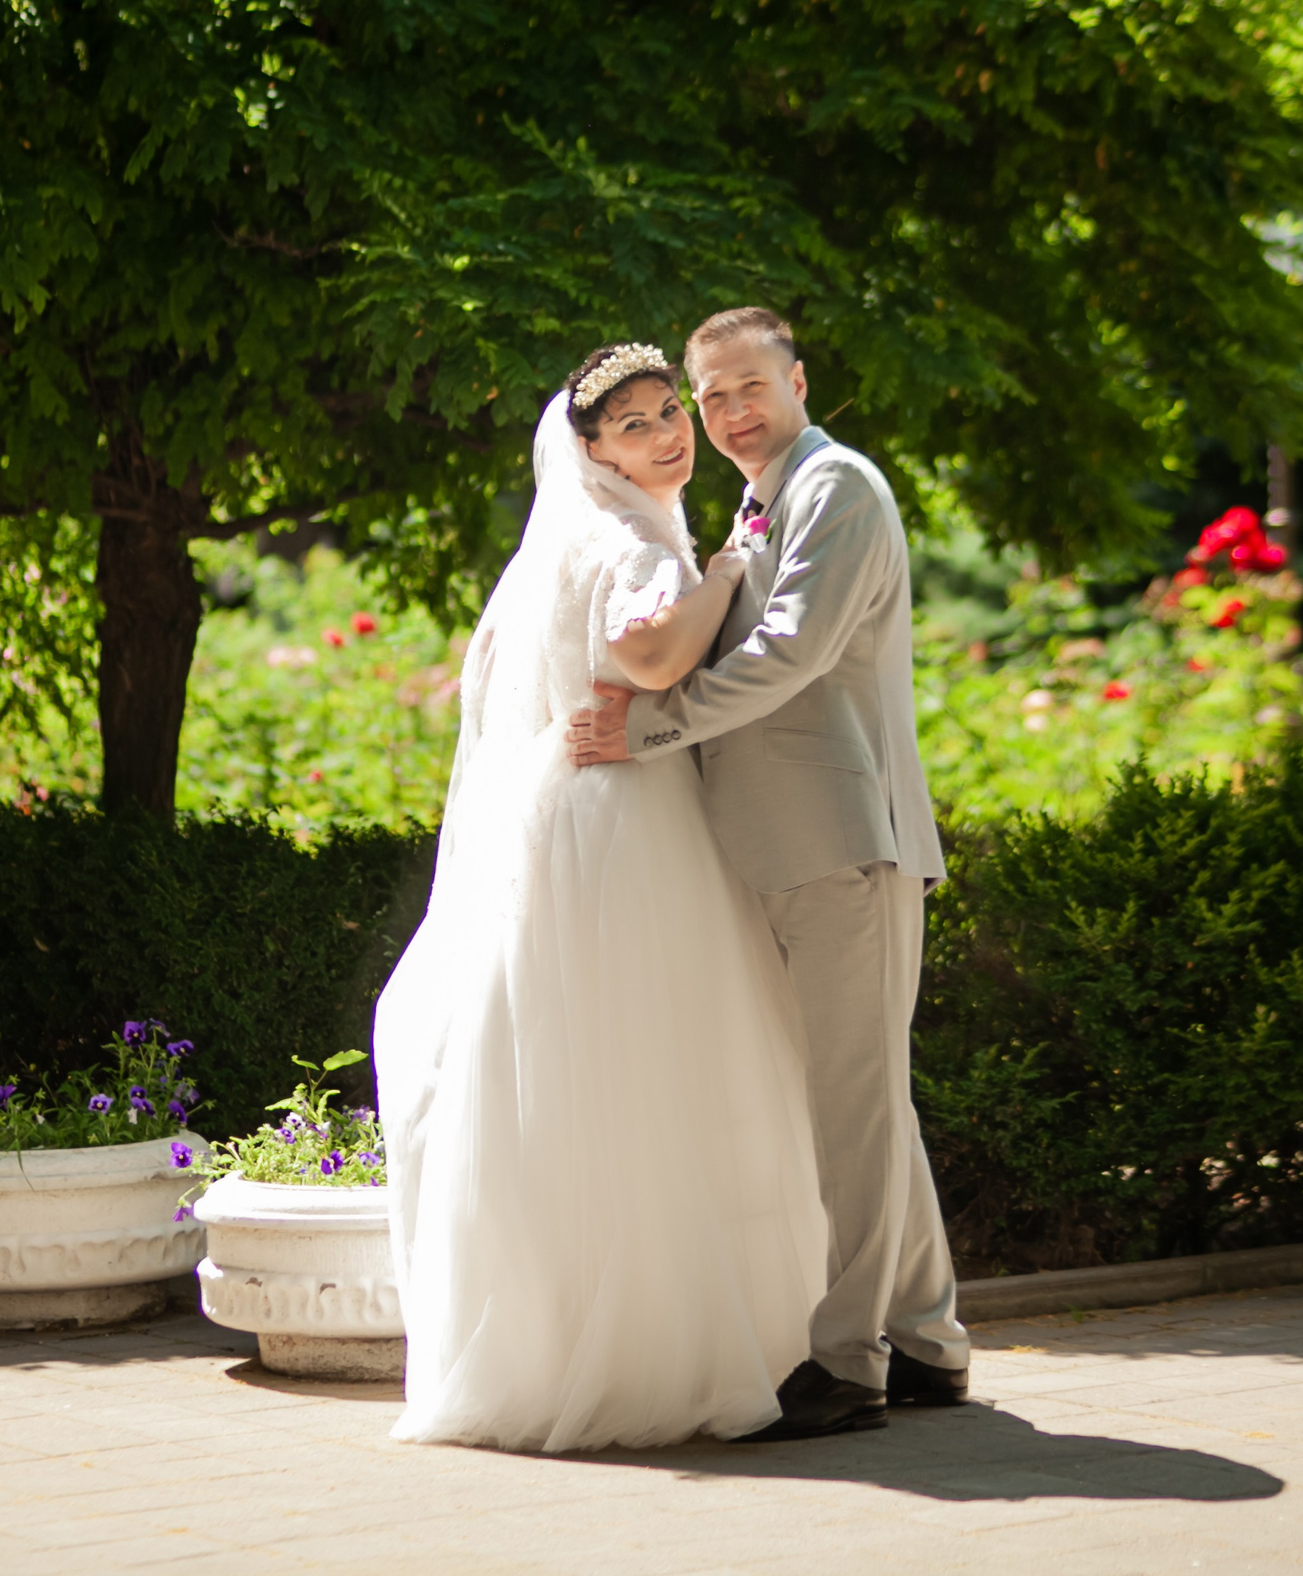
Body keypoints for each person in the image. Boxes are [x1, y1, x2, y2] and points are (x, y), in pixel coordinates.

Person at [374, 343, 828, 1452]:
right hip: (622, 822)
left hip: (577, 811)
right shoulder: (629, 540)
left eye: (671, 411)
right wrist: (722, 576)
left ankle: (582, 1341)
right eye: (634, 425)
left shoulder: (590, 534)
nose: (669, 432)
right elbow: (652, 656)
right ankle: (656, 1358)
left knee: (592, 1081)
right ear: (589, 452)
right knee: (654, 1075)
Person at [567, 306, 970, 1442]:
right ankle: (930, 1340)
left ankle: (848, 1362)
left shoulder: (837, 488)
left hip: (844, 838)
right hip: (794, 841)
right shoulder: (759, 497)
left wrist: (648, 729)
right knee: (865, 1099)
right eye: (714, 397)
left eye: (751, 387)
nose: (732, 411)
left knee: (852, 1107)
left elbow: (790, 652)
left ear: (797, 379)